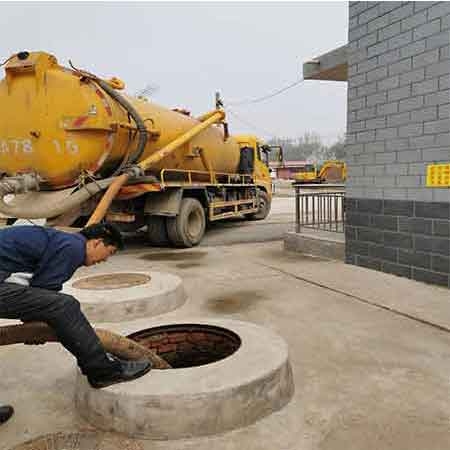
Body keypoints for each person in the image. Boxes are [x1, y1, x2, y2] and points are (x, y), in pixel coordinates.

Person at [0, 223, 152, 424]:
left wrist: (34, 328)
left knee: (57, 305)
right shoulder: (73, 247)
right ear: (96, 242)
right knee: (65, 306)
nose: (105, 259)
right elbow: (46, 291)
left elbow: (39, 293)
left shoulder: (60, 241)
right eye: (109, 252)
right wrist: (35, 328)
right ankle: (102, 371)